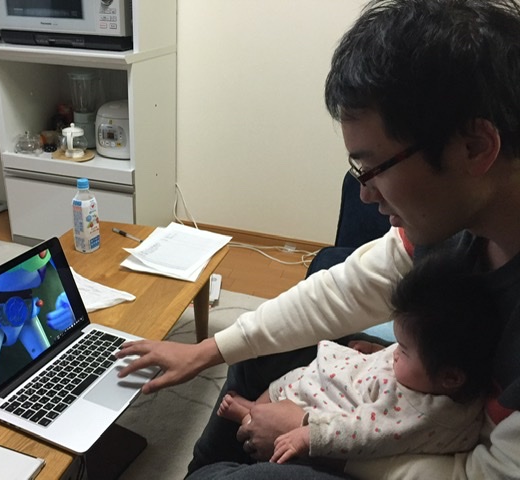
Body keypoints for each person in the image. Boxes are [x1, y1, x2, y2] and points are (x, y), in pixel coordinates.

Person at [116, 0, 520, 478]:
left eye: (375, 167)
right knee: (259, 350)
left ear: (475, 148)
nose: (365, 193)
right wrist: (207, 350)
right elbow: (344, 290)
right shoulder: (453, 229)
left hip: (439, 457)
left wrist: (316, 436)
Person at [216, 252, 498, 467]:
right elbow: (412, 352)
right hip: (349, 375)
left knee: (285, 398)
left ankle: (249, 415)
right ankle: (255, 409)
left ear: (451, 378)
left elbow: (360, 434)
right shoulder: (435, 371)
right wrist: (376, 349)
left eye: (402, 350)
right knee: (284, 374)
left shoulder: (424, 417)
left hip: (332, 411)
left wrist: (307, 435)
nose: (395, 352)